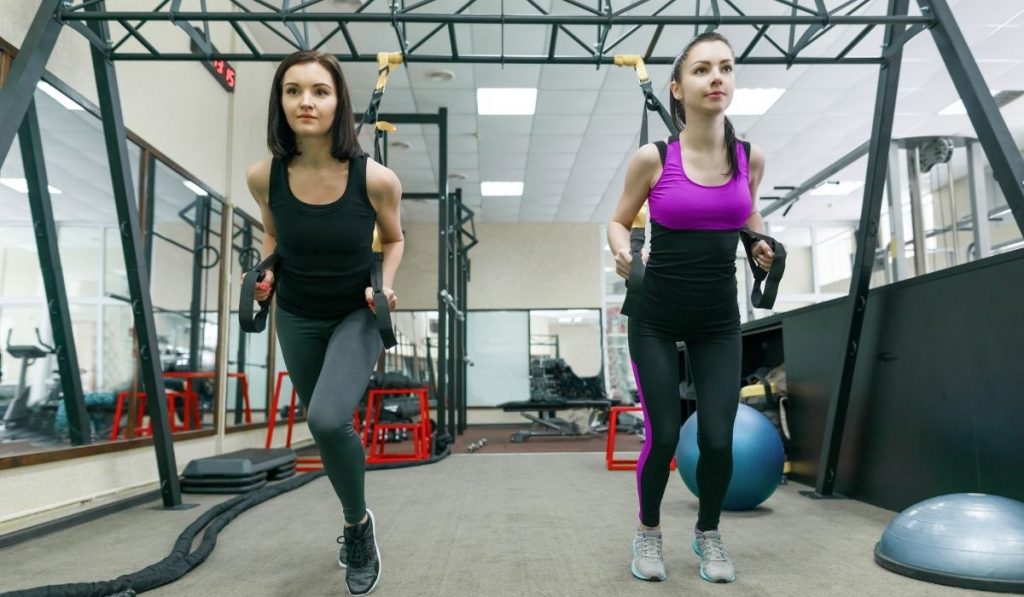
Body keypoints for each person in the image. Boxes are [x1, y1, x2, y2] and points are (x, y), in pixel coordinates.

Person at [607, 31, 775, 585]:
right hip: (654, 315)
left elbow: (749, 218)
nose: (717, 78)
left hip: (717, 320)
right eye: (702, 70)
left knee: (718, 439)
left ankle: (708, 533)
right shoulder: (653, 158)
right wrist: (622, 252)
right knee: (662, 436)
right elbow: (618, 219)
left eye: (726, 67)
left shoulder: (749, 158)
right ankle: (649, 532)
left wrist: (759, 245)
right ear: (678, 89)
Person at [246, 50, 403, 596]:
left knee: (330, 418)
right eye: (293, 91)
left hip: (355, 313)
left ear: (339, 102)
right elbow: (273, 236)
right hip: (296, 313)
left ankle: (357, 527)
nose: (305, 101)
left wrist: (384, 284)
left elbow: (397, 238)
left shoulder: (376, 179)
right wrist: (264, 273)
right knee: (326, 423)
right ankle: (353, 518)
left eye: (319, 90)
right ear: (280, 102)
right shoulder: (263, 176)